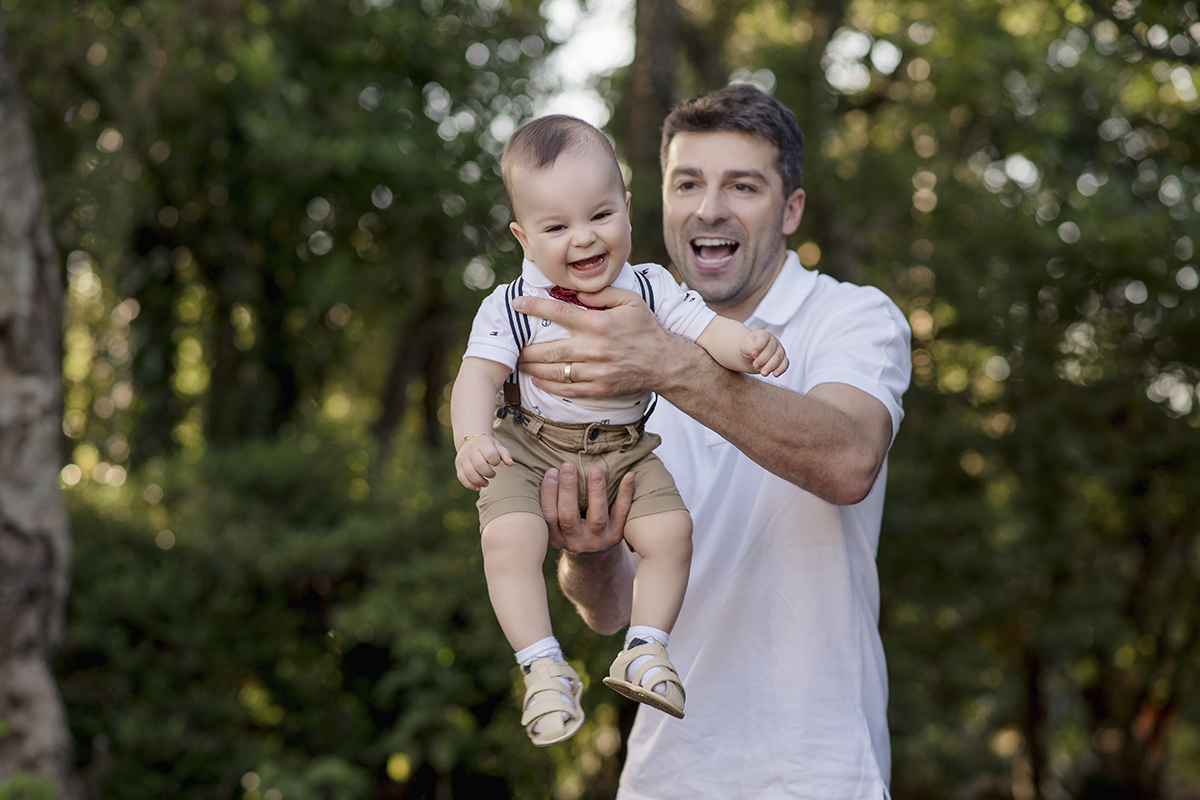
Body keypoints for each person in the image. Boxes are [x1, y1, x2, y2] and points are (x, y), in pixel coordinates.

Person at [513, 84, 912, 797]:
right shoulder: (616, 346)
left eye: (743, 186)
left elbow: (850, 459)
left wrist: (668, 365)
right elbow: (610, 611)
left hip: (819, 773)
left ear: (791, 209)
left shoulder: (851, 316)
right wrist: (589, 552)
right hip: (665, 776)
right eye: (687, 183)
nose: (710, 209)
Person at [450, 114, 789, 747]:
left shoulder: (651, 287)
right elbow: (476, 377)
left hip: (623, 450)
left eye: (601, 215)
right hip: (530, 446)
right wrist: (472, 439)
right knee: (509, 538)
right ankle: (543, 666)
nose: (584, 238)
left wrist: (747, 347)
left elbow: (707, 331)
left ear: (627, 209)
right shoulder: (512, 305)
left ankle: (645, 649)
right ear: (524, 237)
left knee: (671, 532)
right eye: (557, 227)